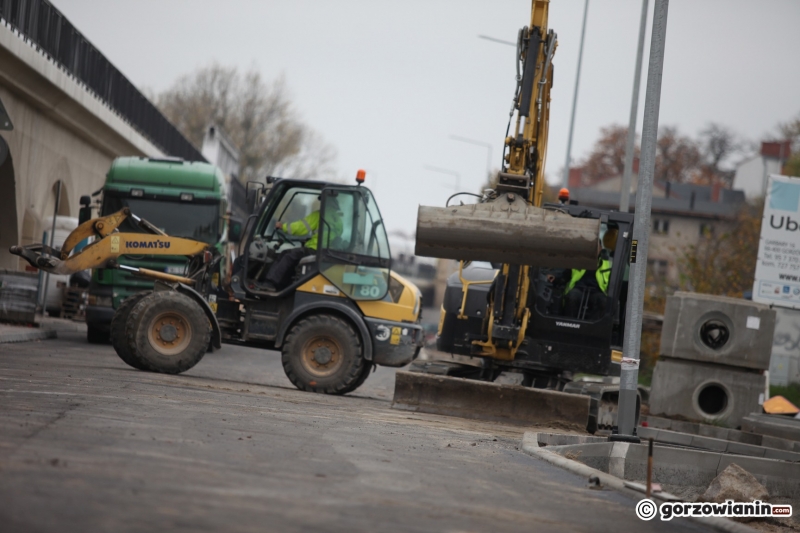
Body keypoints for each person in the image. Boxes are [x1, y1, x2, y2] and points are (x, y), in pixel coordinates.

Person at [260, 197, 343, 291]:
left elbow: (301, 227)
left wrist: (283, 226)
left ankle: (271, 283)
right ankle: (283, 285)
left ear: (326, 203)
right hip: (325, 251)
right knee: (289, 254)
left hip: (314, 249)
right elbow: (327, 236)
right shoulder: (338, 221)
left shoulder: (320, 214)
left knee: (288, 255)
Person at [562, 227, 617, 320]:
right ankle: (569, 321)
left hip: (596, 291)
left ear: (600, 248)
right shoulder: (579, 260)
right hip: (578, 288)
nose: (595, 249)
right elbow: (566, 273)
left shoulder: (607, 263)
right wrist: (556, 277)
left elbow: (612, 281)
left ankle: (593, 325)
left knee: (603, 302)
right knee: (572, 297)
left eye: (597, 246)